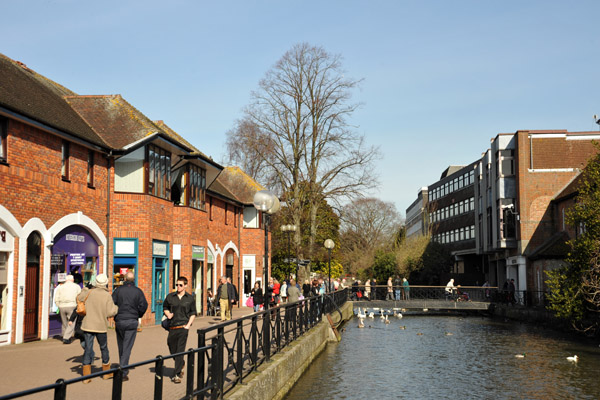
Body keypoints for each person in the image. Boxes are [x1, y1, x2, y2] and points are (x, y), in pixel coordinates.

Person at [77, 273, 118, 383]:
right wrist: (116, 308)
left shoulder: (89, 292)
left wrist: (86, 288)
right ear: (106, 283)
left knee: (88, 348)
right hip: (100, 325)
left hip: (88, 325)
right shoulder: (107, 295)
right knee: (103, 347)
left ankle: (86, 376)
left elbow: (79, 297)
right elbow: (110, 312)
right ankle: (106, 373)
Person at [111, 271, 148, 381]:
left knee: (122, 345)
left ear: (125, 279)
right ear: (134, 279)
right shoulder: (138, 291)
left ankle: (122, 365)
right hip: (132, 321)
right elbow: (144, 305)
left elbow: (112, 304)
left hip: (120, 320)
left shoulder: (117, 291)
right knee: (127, 346)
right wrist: (138, 314)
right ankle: (123, 371)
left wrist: (115, 315)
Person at [163, 276, 196, 384]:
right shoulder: (170, 297)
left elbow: (193, 313)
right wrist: (168, 314)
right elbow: (165, 307)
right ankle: (181, 363)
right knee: (171, 347)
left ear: (185, 286)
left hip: (183, 327)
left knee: (180, 350)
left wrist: (188, 325)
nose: (178, 287)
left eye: (180, 285)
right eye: (177, 284)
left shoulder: (190, 298)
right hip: (172, 327)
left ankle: (176, 375)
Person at [54, 274, 81, 344]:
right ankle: (66, 338)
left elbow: (56, 297)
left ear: (66, 280)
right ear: (73, 280)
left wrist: (58, 305)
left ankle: (64, 336)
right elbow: (80, 297)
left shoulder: (60, 287)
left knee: (64, 322)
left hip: (62, 306)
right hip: (72, 305)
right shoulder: (76, 286)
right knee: (72, 322)